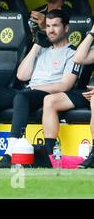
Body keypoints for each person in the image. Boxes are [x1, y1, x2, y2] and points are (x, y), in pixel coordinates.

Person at [0, 9, 79, 168]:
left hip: (48, 93)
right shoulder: (42, 49)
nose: (51, 30)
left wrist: (36, 88)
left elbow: (65, 85)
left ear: (66, 28)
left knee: (22, 97)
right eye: (48, 26)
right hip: (29, 91)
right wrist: (37, 46)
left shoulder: (73, 53)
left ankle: (10, 153)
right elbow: (22, 75)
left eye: (55, 26)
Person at [42, 23, 94, 168]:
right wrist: (92, 33)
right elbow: (78, 58)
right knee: (50, 100)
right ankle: (49, 155)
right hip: (89, 91)